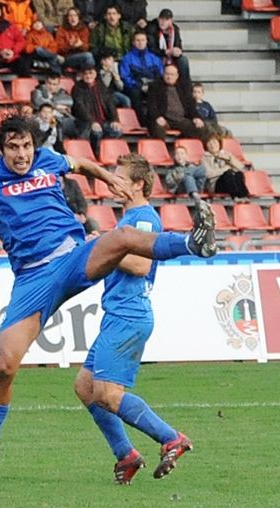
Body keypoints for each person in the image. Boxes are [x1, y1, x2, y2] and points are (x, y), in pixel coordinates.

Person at [0, 116, 217, 482]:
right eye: (13, 147)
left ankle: (192, 242)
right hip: (32, 278)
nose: (21, 154)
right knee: (5, 365)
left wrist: (106, 177)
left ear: (34, 145)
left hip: (71, 257)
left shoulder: (49, 159)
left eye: (27, 146)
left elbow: (81, 163)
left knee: (122, 236)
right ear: (2, 149)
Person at [73, 152, 192, 485]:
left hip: (129, 314)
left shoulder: (143, 219)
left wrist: (105, 247)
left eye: (120, 177)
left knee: (109, 394)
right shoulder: (128, 221)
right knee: (85, 386)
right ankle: (126, 455)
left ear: (138, 184)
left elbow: (140, 266)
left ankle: (171, 438)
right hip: (118, 314)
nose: (114, 181)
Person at [147, 65, 208, 141]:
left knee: (201, 127)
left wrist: (196, 118)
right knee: (158, 128)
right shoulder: (155, 86)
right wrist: (157, 117)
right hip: (164, 119)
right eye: (167, 74)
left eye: (172, 74)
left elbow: (191, 106)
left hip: (181, 120)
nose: (169, 77)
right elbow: (151, 105)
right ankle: (161, 151)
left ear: (177, 76)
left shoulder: (183, 87)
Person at [71, 64, 123, 153]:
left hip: (104, 121)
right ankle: (96, 154)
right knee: (96, 133)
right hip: (86, 122)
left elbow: (110, 104)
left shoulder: (101, 86)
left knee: (117, 131)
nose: (88, 76)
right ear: (82, 76)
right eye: (86, 74)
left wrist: (115, 119)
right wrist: (92, 122)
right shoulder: (77, 88)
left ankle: (105, 152)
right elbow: (80, 108)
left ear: (95, 74)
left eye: (91, 73)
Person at [119, 29, 162, 125]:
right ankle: (142, 122)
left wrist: (151, 86)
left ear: (146, 41)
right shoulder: (127, 58)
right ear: (133, 42)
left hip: (152, 86)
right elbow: (125, 77)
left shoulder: (155, 58)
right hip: (135, 87)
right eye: (137, 40)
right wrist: (140, 86)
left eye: (143, 40)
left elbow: (160, 75)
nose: (140, 43)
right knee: (134, 93)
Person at [201, 134, 249, 202]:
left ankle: (243, 196)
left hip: (230, 182)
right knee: (228, 173)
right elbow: (208, 174)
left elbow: (242, 168)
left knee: (238, 174)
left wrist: (229, 159)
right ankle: (235, 197)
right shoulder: (204, 158)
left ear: (219, 144)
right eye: (210, 143)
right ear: (206, 146)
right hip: (216, 184)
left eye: (215, 142)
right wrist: (225, 169)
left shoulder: (227, 154)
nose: (212, 145)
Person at [146, 8, 189, 80]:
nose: (163, 22)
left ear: (171, 21)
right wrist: (165, 52)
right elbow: (151, 48)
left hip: (171, 57)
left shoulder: (175, 29)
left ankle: (185, 85)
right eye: (161, 19)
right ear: (158, 19)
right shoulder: (152, 28)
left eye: (166, 20)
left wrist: (178, 51)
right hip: (157, 56)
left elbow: (178, 44)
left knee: (183, 60)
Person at [31, 72, 77, 137]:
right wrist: (57, 106)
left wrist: (51, 102)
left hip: (62, 119)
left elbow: (70, 102)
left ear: (58, 85)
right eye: (49, 83)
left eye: (54, 84)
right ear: (45, 82)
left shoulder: (61, 92)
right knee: (57, 125)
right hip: (44, 119)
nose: (51, 86)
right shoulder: (38, 91)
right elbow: (39, 102)